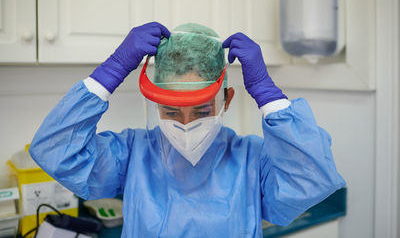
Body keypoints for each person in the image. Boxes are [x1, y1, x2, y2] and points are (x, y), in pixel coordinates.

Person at [29, 22, 345, 237]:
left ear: (226, 100)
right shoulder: (132, 153)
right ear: (155, 105)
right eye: (170, 110)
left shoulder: (252, 159)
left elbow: (312, 180)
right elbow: (56, 153)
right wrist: (110, 71)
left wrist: (268, 94)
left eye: (201, 109)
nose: (185, 124)